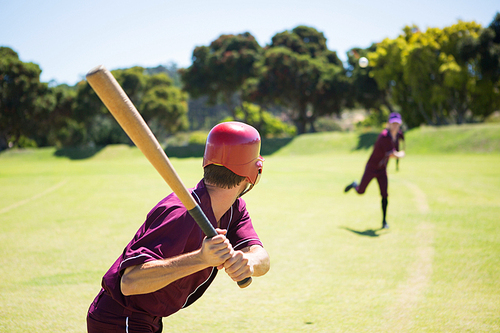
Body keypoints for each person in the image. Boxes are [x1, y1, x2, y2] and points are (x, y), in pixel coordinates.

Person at [87, 121, 270, 333]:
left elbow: (262, 257)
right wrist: (201, 259)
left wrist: (248, 262)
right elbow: (129, 282)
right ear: (254, 172)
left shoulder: (234, 208)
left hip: (146, 320)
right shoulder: (180, 212)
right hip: (121, 319)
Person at [344, 112, 405, 229]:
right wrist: (401, 155)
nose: (395, 126)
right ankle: (354, 185)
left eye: (397, 124)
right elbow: (392, 154)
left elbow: (397, 147)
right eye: (393, 124)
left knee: (385, 195)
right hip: (371, 168)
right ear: (389, 124)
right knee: (361, 191)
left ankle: (384, 221)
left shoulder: (397, 136)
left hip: (382, 170)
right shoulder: (383, 136)